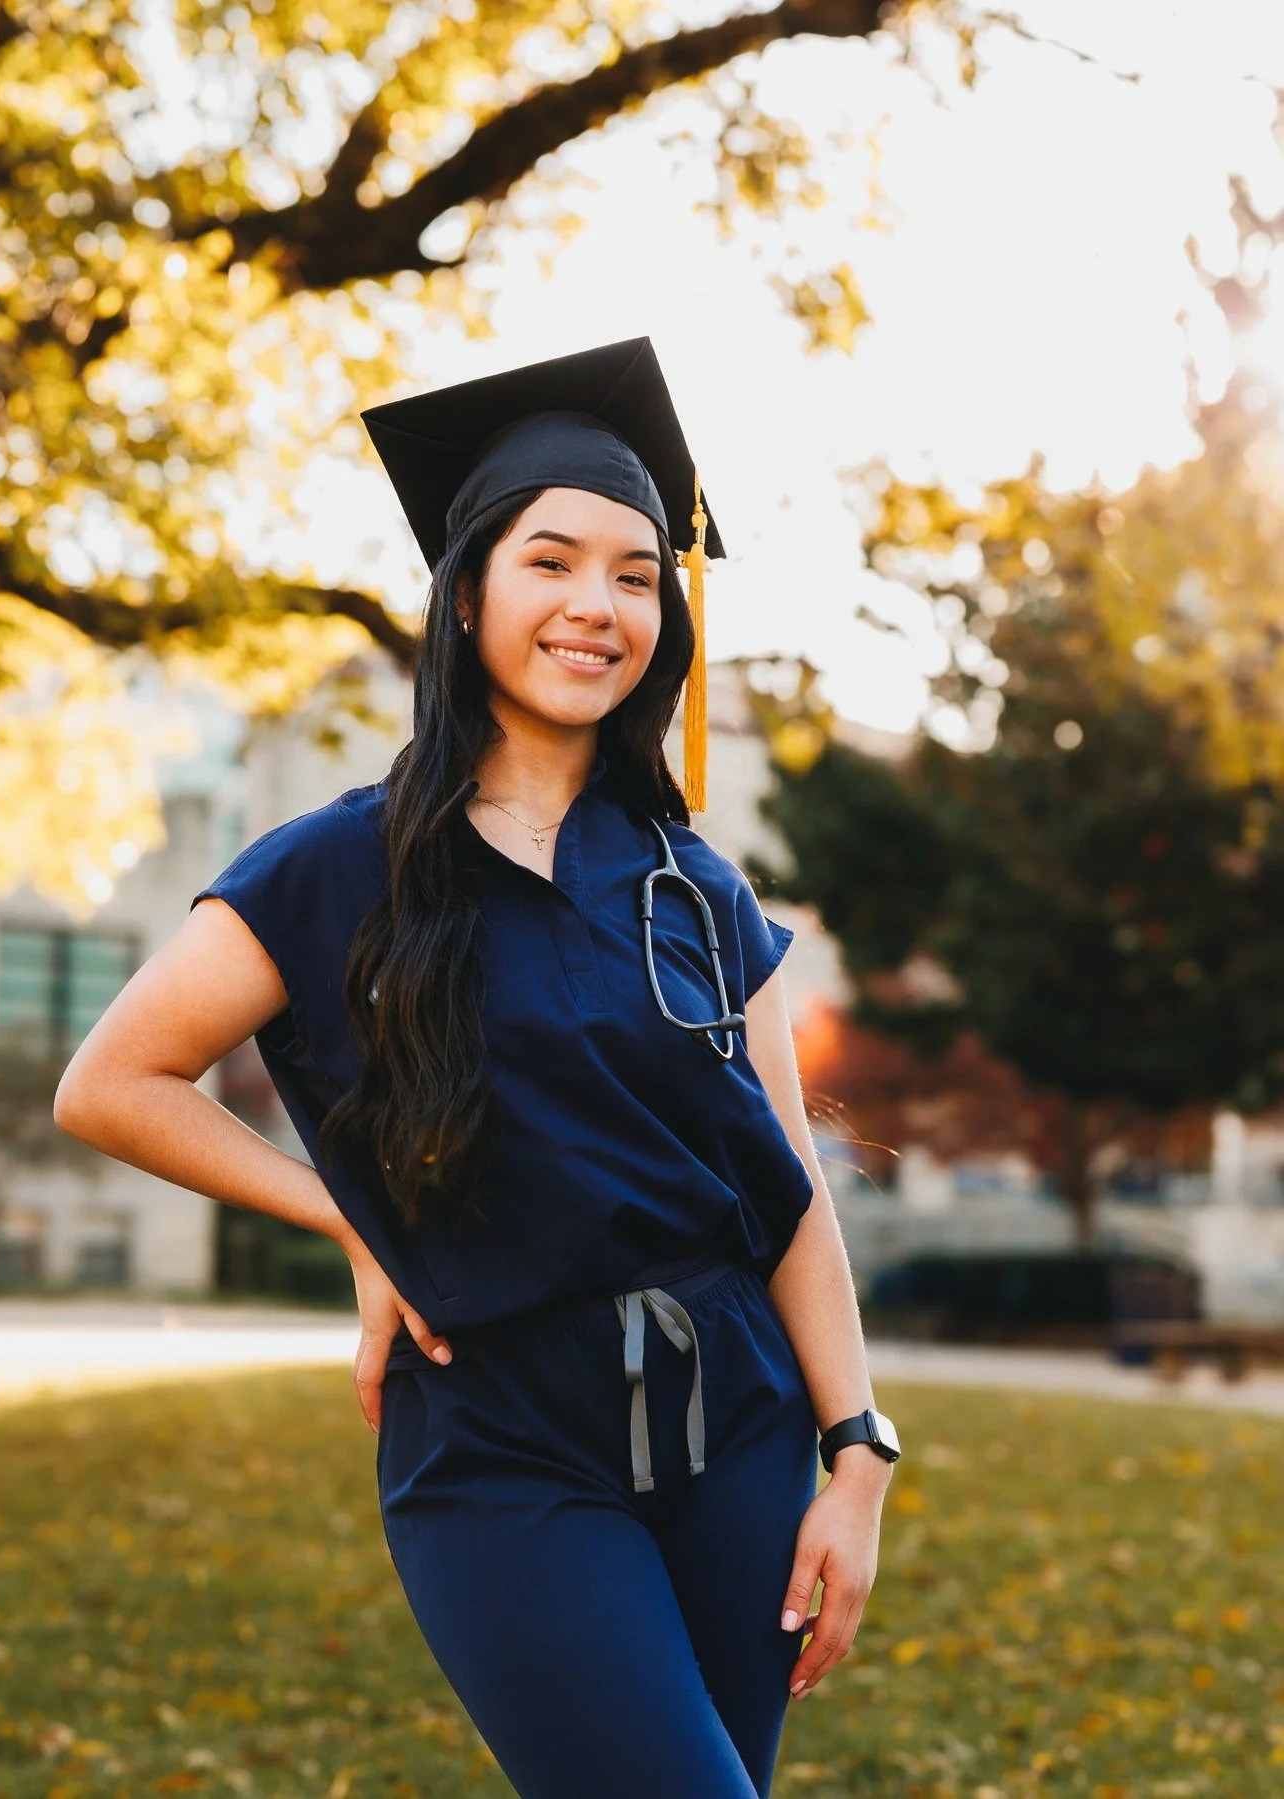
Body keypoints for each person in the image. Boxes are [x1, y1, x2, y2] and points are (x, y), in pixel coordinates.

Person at [54, 336, 901, 1799]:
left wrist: (856, 1450)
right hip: (503, 1443)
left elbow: (785, 1192)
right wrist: (358, 1224)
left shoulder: (696, 889)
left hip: (741, 1437)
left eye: (637, 575)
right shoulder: (335, 867)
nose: (597, 605)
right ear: (467, 594)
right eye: (552, 560)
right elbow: (113, 1081)